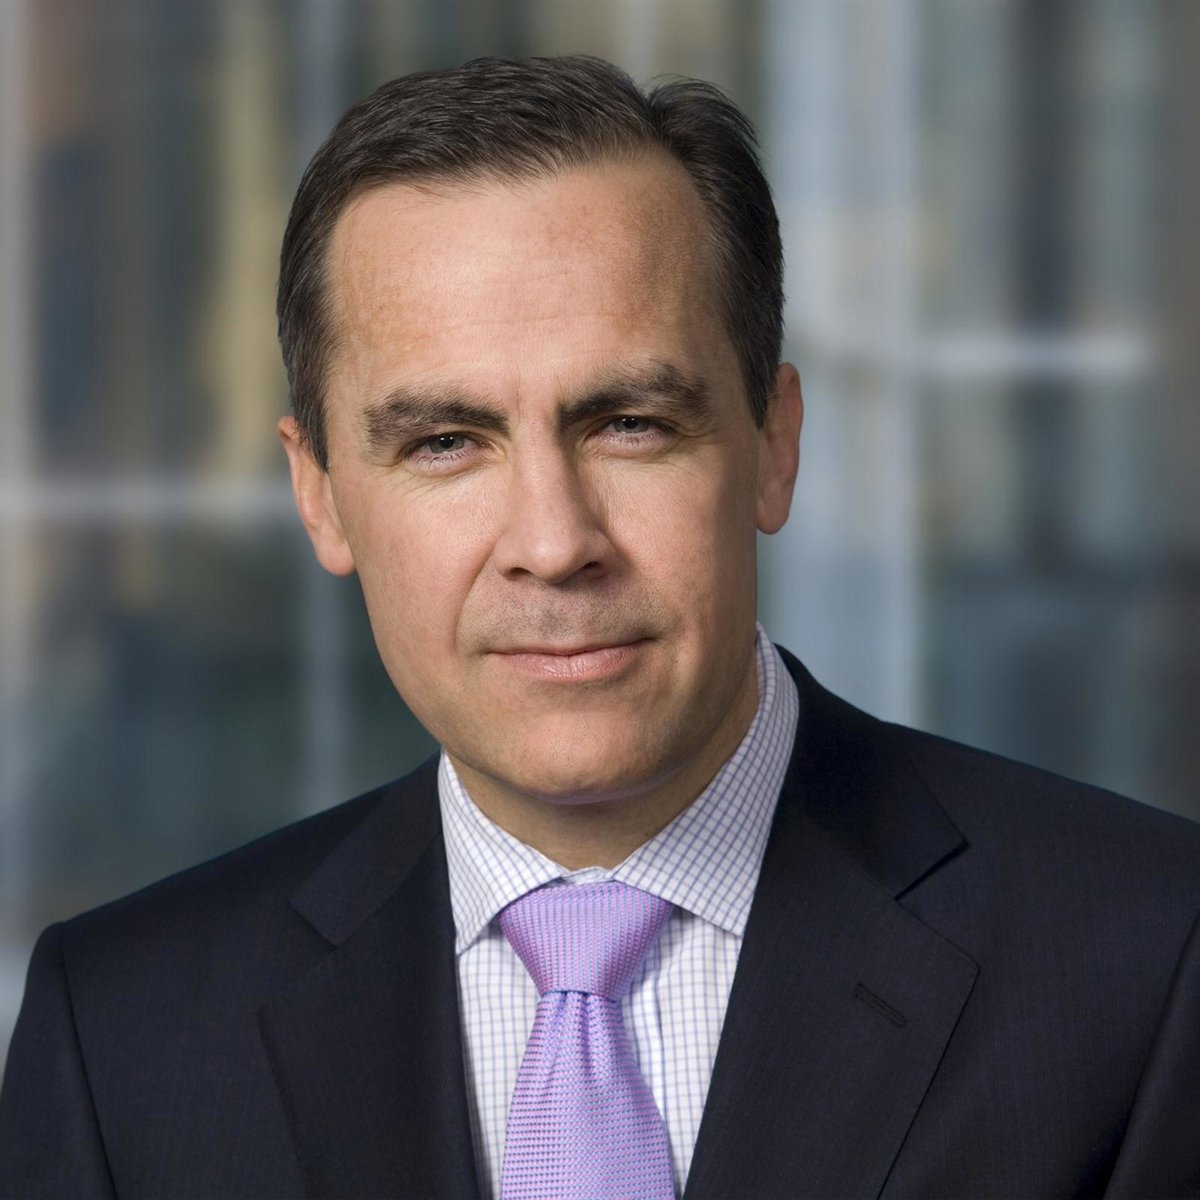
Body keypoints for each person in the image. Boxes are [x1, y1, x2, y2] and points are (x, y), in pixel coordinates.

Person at [1, 54, 1198, 1200]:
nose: (553, 540)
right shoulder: (120, 1040)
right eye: (445, 442)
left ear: (773, 444)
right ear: (319, 493)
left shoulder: (1150, 962)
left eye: (630, 424)